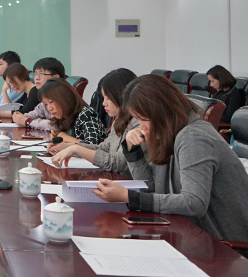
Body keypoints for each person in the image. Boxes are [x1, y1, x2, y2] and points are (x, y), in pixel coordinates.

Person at [93, 75, 248, 242]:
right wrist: (133, 151)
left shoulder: (194, 138)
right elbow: (151, 188)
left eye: (143, 119)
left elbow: (194, 203)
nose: (141, 126)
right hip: (190, 234)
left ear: (160, 112)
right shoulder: (168, 134)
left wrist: (129, 197)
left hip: (224, 244)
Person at [51, 68, 138, 175]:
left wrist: (76, 149)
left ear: (122, 96)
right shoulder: (119, 120)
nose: (103, 103)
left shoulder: (138, 123)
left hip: (126, 182)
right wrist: (68, 146)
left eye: (108, 98)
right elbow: (103, 148)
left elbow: (118, 163)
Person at [37, 79, 104, 148]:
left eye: (51, 102)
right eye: (46, 104)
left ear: (65, 98)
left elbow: (93, 147)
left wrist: (67, 138)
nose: (49, 108)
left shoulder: (87, 115)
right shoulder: (64, 117)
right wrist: (58, 139)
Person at [12, 57, 65, 130]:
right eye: (35, 74)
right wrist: (20, 117)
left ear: (56, 77)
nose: (37, 78)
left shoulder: (63, 97)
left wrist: (28, 121)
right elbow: (36, 113)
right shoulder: (45, 97)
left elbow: (56, 125)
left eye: (41, 74)